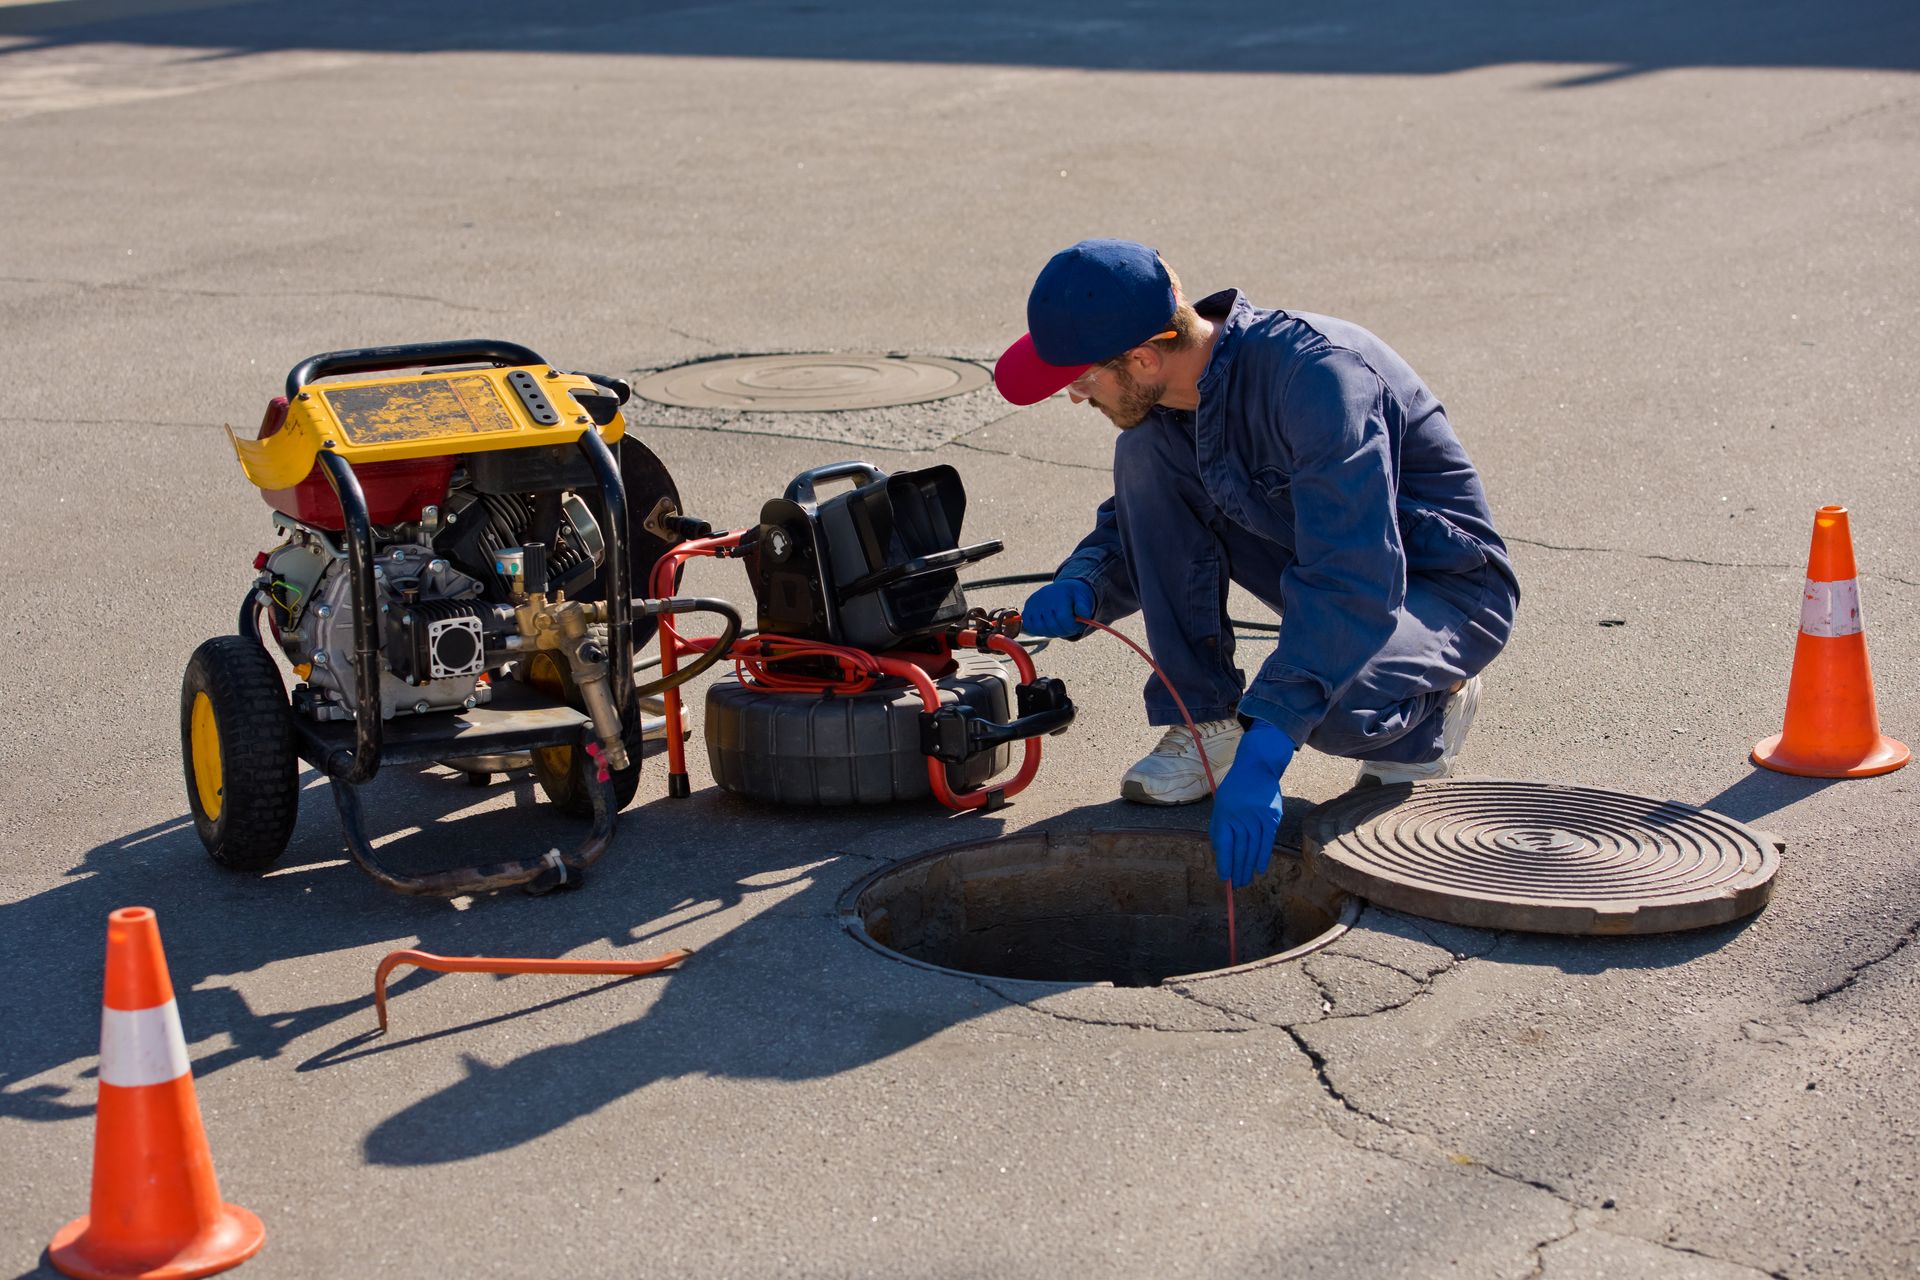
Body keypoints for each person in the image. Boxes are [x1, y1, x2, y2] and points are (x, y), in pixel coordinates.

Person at [993, 239, 1519, 889]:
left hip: (1442, 588)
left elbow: (1352, 580)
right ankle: (1206, 726)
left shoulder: (1319, 381)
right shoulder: (1174, 396)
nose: (1075, 396)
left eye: (1081, 379)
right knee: (1145, 457)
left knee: (1326, 705)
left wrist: (1268, 748)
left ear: (1142, 356)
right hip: (1324, 559)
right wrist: (1085, 582)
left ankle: (1427, 710)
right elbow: (1152, 530)